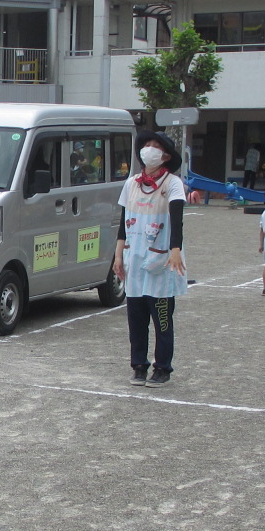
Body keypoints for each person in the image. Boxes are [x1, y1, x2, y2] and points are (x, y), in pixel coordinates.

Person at [113, 131, 187, 386]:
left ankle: (163, 367)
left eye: (156, 147)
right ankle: (139, 366)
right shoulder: (131, 183)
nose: (150, 150)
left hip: (162, 260)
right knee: (136, 319)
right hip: (135, 258)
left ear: (165, 156)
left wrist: (175, 248)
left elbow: (176, 217)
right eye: (147, 145)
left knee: (162, 319)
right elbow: (123, 222)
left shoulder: (172, 183)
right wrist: (118, 254)